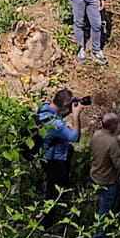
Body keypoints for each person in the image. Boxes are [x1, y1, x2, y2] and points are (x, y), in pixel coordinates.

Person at [36, 88, 83, 228]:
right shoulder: (55, 124)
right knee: (52, 192)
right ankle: (46, 223)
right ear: (64, 106)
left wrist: (69, 109)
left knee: (53, 188)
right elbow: (74, 137)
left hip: (44, 154)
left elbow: (58, 114)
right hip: (54, 161)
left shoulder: (44, 108)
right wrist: (76, 116)